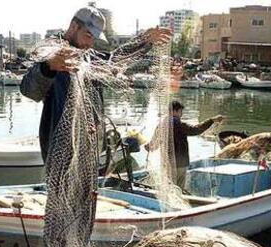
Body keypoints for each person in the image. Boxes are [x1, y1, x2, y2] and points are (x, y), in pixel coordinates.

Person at [20, 5, 171, 163]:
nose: (90, 43)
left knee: (89, 188)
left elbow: (116, 60)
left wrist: (143, 41)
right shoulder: (50, 52)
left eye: (94, 38)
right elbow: (28, 90)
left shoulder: (89, 57)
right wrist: (48, 67)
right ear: (73, 26)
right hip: (61, 151)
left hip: (90, 148)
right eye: (87, 35)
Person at [145, 101, 224, 190]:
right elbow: (196, 130)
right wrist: (211, 120)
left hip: (166, 163)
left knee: (168, 188)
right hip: (180, 163)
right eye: (180, 112)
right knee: (178, 189)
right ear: (175, 111)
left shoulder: (161, 125)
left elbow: (153, 145)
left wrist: (148, 146)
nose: (181, 115)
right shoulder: (180, 124)